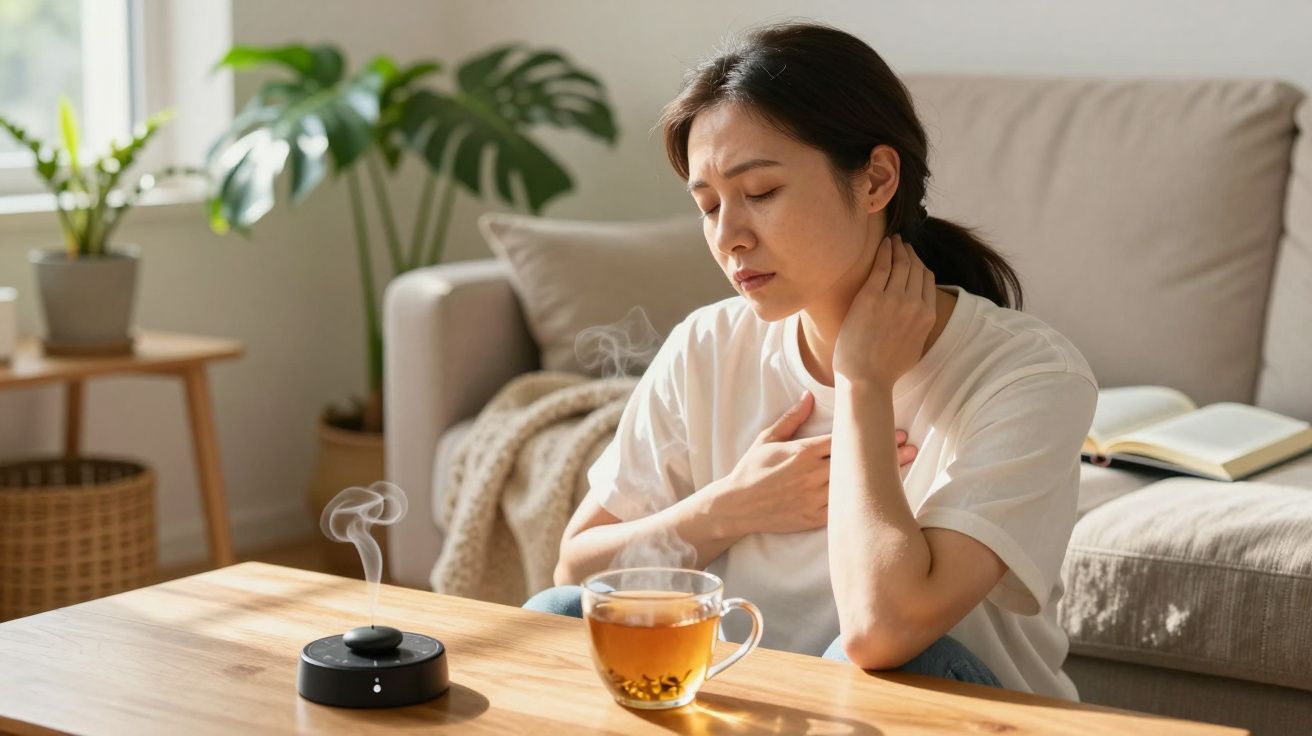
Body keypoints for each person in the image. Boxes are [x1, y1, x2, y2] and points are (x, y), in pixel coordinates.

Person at [524, 20, 1097, 701]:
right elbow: (577, 566)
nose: (729, 237)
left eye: (760, 192)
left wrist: (863, 380)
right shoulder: (708, 344)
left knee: (891, 666)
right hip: (764, 700)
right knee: (559, 618)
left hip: (946, 705)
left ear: (877, 179)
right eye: (708, 205)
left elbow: (883, 632)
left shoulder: (1027, 375)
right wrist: (729, 509)